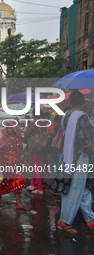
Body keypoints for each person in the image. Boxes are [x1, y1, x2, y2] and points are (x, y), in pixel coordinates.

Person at [57, 90, 94, 234]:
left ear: (70, 102)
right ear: (83, 102)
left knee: (83, 188)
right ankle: (64, 221)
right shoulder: (82, 117)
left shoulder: (66, 116)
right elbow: (85, 140)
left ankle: (90, 218)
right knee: (75, 189)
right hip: (80, 157)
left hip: (69, 155)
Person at [0, 121, 29, 210]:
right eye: (7, 128)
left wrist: (22, 158)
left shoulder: (19, 139)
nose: (8, 130)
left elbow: (21, 150)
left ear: (15, 129)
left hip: (17, 164)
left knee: (18, 182)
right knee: (4, 182)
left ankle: (19, 204)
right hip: (6, 163)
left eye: (10, 128)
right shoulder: (4, 138)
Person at [24, 109, 48, 195]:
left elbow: (26, 133)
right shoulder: (44, 123)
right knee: (34, 165)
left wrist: (25, 127)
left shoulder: (34, 123)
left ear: (33, 115)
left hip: (34, 147)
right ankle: (32, 185)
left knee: (36, 167)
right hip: (42, 147)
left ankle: (40, 189)